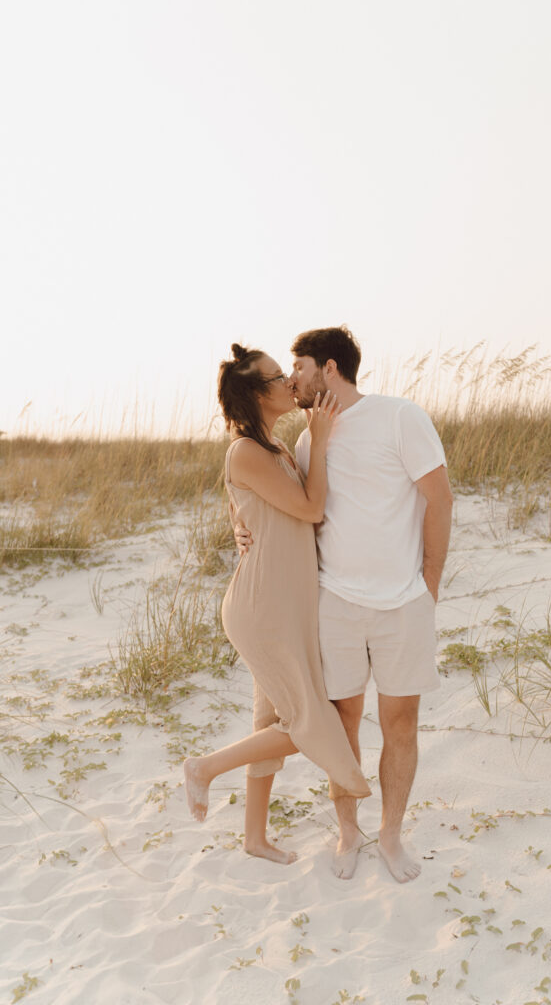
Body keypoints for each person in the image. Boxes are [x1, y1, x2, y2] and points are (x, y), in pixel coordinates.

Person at [235, 327, 452, 882]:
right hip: (334, 603)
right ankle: (349, 832)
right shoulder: (308, 439)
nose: (292, 379)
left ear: (328, 368)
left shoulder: (400, 416)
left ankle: (392, 835)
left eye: (298, 367)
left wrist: (429, 581)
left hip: (404, 602)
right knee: (343, 721)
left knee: (401, 721)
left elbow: (438, 497)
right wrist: (239, 525)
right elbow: (285, 503)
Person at [184, 343, 370, 867]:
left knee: (269, 718)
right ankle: (204, 768)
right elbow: (311, 509)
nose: (289, 380)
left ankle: (253, 837)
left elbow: (244, 510)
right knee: (306, 720)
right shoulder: (247, 449)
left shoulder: (273, 447)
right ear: (255, 393)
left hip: (286, 604)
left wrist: (239, 529)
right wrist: (325, 439)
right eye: (275, 376)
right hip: (263, 607)